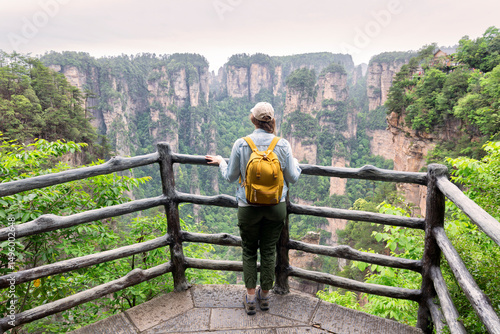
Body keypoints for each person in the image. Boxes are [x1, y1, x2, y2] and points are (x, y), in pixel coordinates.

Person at [205, 102, 301, 315]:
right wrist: (296, 163)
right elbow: (292, 178)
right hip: (276, 207)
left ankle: (249, 299)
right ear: (272, 120)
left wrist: (221, 161)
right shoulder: (283, 144)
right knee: (268, 251)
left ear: (253, 120)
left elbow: (230, 177)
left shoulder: (241, 143)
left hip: (248, 206)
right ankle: (265, 298)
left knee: (249, 251)